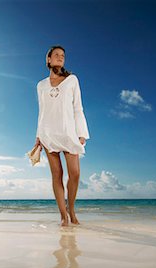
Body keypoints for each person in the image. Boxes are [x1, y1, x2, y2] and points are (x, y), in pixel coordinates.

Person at [35, 45, 90, 226]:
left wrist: (81, 133)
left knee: (75, 174)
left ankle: (71, 209)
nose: (60, 57)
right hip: (48, 133)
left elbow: (78, 107)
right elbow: (41, 112)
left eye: (63, 56)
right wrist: (38, 137)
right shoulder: (41, 85)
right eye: (56, 55)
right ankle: (63, 216)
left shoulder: (72, 80)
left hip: (68, 133)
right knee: (56, 175)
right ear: (48, 59)